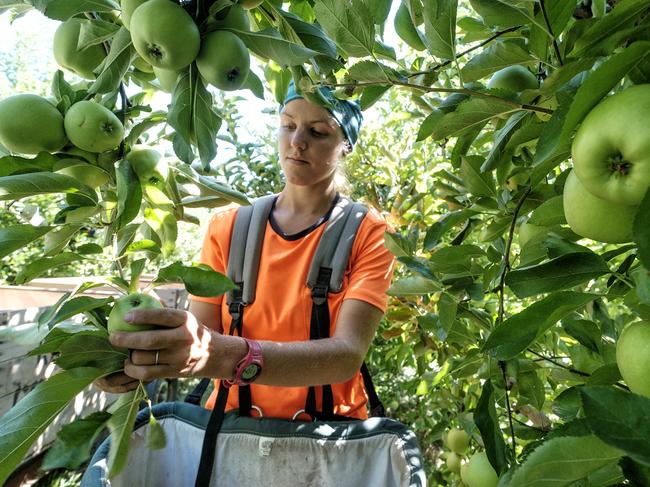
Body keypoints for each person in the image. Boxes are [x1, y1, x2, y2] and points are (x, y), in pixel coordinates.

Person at [98, 83, 395, 420]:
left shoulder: (368, 232)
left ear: (346, 146)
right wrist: (139, 354)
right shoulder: (229, 228)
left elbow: (346, 356)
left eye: (318, 131)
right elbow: (199, 341)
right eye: (288, 125)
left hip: (328, 438)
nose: (298, 141)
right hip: (231, 432)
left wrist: (231, 357)